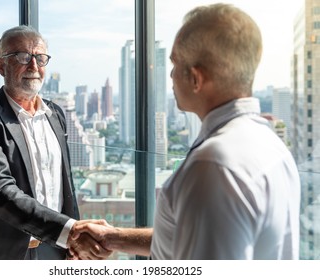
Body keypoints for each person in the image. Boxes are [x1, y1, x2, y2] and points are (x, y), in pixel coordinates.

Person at [72, 3, 301, 260]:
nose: (170, 75)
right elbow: (196, 234)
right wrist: (114, 237)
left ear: (196, 78)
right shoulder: (269, 143)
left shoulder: (214, 166)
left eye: (175, 64)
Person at [0, 25, 110, 260]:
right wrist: (70, 231)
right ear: (0, 65)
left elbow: (65, 186)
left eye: (40, 58)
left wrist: (70, 244)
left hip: (52, 250)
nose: (34, 66)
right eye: (23, 57)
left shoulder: (55, 114)